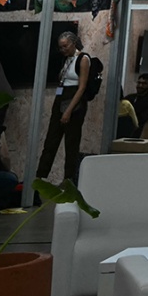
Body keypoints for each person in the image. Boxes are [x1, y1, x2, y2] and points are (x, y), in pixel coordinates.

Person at [36, 31, 95, 186]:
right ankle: (39, 178)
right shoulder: (66, 59)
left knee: (71, 143)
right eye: (60, 47)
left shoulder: (83, 59)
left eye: (65, 46)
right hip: (60, 98)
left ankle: (68, 180)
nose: (62, 50)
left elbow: (81, 88)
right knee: (50, 142)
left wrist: (68, 110)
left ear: (73, 43)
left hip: (74, 102)